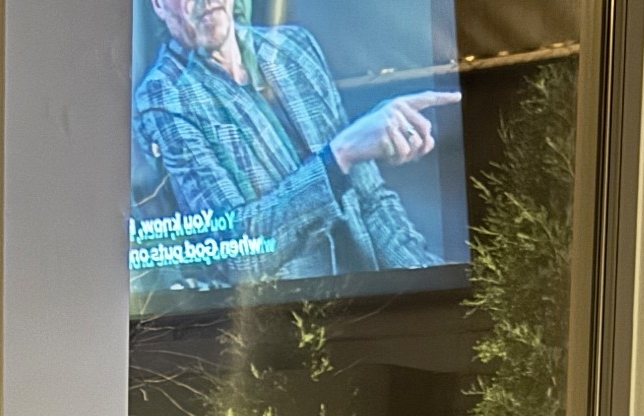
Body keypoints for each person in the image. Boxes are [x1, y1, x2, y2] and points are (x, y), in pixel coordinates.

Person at [134, 0, 461, 284]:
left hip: (378, 296)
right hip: (296, 322)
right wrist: (339, 156)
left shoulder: (294, 46)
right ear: (159, 5)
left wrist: (424, 276)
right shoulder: (164, 95)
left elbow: (372, 199)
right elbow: (237, 251)